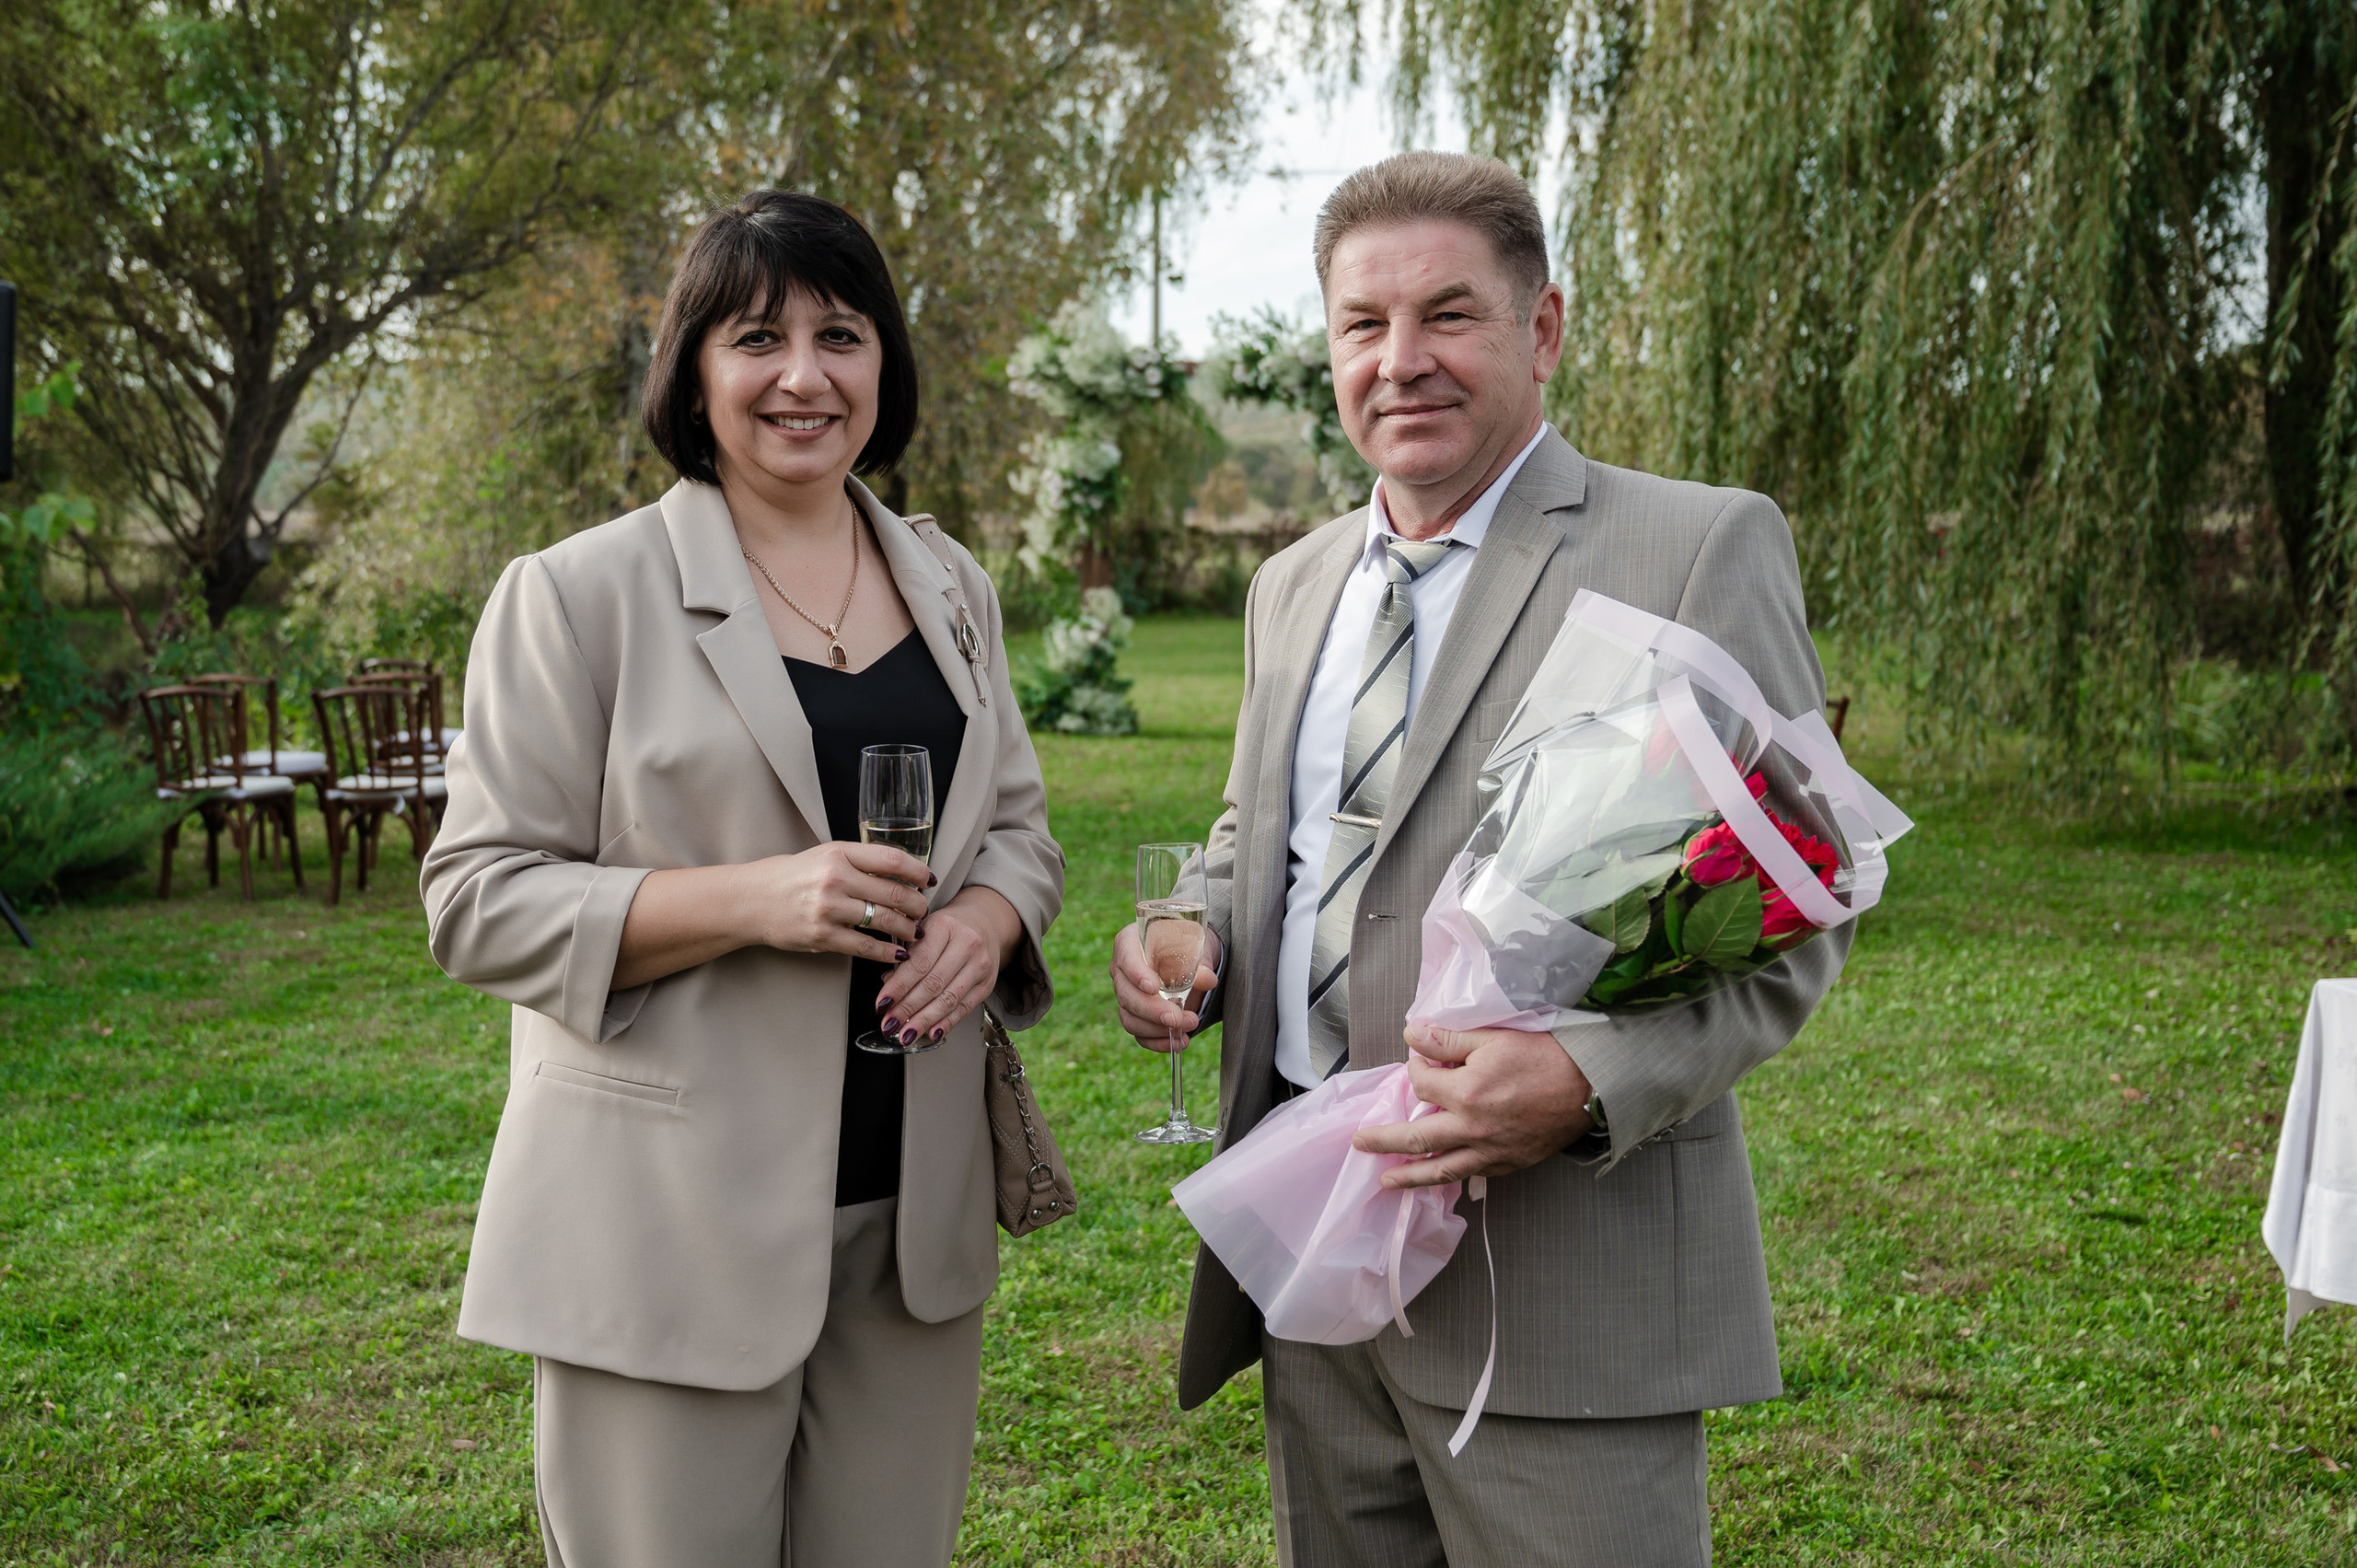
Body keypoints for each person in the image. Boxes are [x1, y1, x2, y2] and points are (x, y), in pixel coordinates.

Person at [1110, 151, 1847, 1565]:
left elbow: (1797, 906)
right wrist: (1195, 933)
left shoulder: (1694, 546)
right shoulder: (1294, 584)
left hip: (1564, 1283)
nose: (1402, 362)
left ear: (1544, 328)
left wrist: (1582, 1086)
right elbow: (1263, 838)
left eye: (1449, 315)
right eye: (1362, 326)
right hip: (1315, 1273)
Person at [421, 189, 1062, 1568]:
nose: (802, 375)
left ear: (883, 367)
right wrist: (755, 900)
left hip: (910, 1232)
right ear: (693, 372)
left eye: (842, 335)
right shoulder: (577, 595)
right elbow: (474, 899)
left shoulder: (952, 585)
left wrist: (990, 917)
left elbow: (1015, 825)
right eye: (756, 338)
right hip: (671, 1229)